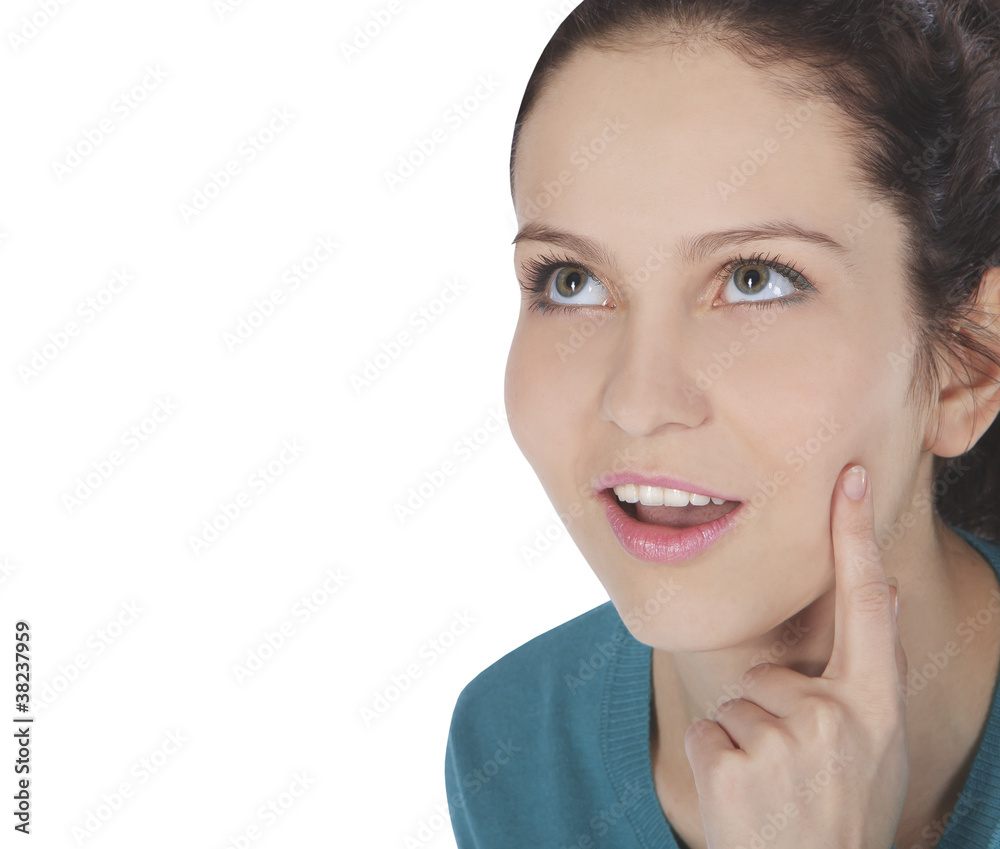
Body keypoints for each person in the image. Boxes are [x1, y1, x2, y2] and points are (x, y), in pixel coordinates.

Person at [444, 1, 1000, 846]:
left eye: (753, 279)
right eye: (570, 280)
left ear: (968, 364)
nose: (638, 400)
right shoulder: (514, 743)